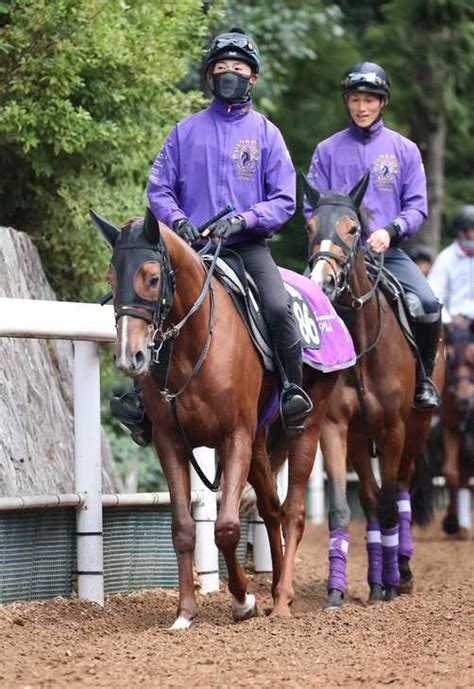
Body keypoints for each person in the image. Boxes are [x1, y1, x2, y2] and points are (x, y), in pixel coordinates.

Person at [112, 28, 313, 445]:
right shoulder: (184, 132)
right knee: (152, 307)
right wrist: (178, 221)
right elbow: (159, 189)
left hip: (246, 248)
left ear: (252, 77)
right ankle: (140, 402)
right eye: (221, 68)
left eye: (238, 68)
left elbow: (284, 200)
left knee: (278, 308)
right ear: (208, 77)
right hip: (190, 251)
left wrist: (243, 220)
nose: (229, 74)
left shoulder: (266, 134)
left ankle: (293, 390)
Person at [304, 61, 442, 408]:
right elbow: (312, 208)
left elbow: (416, 206)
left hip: (386, 253)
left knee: (427, 306)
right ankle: (296, 386)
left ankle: (423, 380)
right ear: (346, 102)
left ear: (382, 102)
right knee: (294, 306)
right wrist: (327, 243)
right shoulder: (326, 150)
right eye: (354, 100)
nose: (361, 107)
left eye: (369, 100)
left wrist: (391, 230)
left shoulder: (404, 150)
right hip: (334, 258)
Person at [428, 205, 474, 324]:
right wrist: (448, 320)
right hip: (457, 324)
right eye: (471, 230)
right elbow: (434, 294)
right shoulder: (446, 258)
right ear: (461, 232)